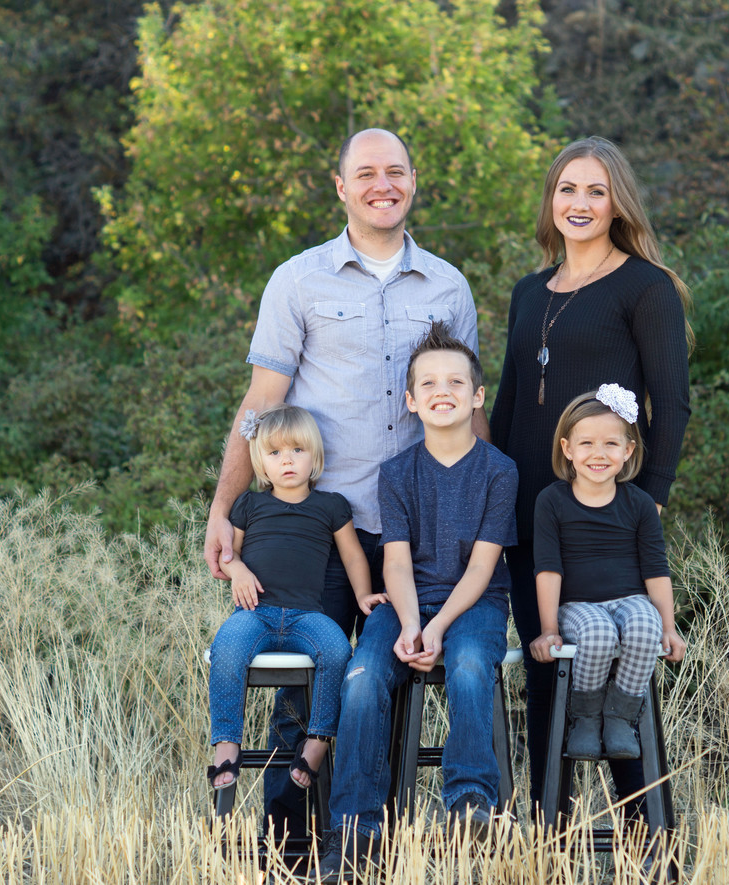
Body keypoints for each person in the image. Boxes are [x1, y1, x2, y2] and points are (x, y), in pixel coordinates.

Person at [202, 128, 487, 836]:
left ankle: (370, 844)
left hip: (416, 531)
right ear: (341, 186)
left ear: (414, 181)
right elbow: (260, 406)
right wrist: (223, 509)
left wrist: (487, 515)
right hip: (315, 526)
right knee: (304, 687)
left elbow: (467, 406)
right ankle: (286, 844)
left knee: (380, 685)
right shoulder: (298, 279)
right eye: (366, 173)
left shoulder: (449, 285)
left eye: (395, 172)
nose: (381, 184)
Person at [489, 135, 693, 819]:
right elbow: (507, 407)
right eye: (567, 189)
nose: (579, 203)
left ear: (617, 205)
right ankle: (551, 831)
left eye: (595, 191)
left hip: (606, 522)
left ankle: (647, 837)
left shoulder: (645, 287)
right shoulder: (528, 292)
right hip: (528, 520)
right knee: (546, 674)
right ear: (552, 200)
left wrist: (652, 498)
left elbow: (672, 398)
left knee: (618, 676)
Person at [316, 322, 518, 881]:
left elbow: (483, 566)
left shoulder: (500, 471)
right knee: (361, 675)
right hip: (404, 601)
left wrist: (439, 628)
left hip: (473, 605)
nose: (441, 390)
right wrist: (409, 624)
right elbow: (396, 561)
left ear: (477, 396)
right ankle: (357, 829)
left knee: (474, 665)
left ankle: (469, 805)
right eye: (427, 383)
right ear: (410, 401)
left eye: (456, 381)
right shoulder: (397, 472)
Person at [206, 404, 385, 801]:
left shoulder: (331, 506)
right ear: (261, 463)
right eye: (275, 453)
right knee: (227, 647)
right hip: (255, 613)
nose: (287, 460)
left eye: (297, 451)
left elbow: (354, 555)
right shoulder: (249, 506)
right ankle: (226, 744)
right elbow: (227, 554)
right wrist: (236, 572)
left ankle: (317, 743)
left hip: (308, 615)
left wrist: (361, 595)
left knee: (339, 650)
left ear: (315, 457)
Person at [529, 386, 686, 762]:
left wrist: (669, 626)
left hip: (629, 600)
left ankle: (620, 716)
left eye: (611, 444)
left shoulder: (640, 504)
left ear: (628, 450)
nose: (598, 454)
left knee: (645, 626)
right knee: (598, 634)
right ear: (567, 448)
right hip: (578, 607)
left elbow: (656, 570)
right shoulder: (552, 501)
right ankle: (584, 717)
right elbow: (547, 570)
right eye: (586, 444)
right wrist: (549, 628)